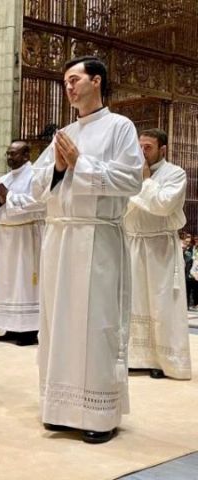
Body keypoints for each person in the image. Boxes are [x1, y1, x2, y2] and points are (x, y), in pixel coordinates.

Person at [31, 56, 143, 443]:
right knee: (57, 323)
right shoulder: (63, 132)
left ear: (97, 81)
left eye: (75, 79)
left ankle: (99, 415)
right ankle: (61, 407)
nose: (69, 87)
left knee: (96, 324)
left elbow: (132, 180)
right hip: (60, 238)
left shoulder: (119, 127)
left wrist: (81, 163)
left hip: (97, 238)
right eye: (65, 82)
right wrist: (60, 168)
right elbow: (34, 187)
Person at [124, 128, 191, 380]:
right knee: (133, 301)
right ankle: (134, 357)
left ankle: (162, 360)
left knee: (161, 304)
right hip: (133, 245)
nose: (141, 152)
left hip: (160, 248)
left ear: (162, 149)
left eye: (148, 147)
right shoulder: (130, 173)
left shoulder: (176, 173)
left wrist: (145, 180)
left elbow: (163, 205)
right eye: (139, 146)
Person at [0, 140, 45, 346]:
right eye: (8, 154)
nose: (10, 157)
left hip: (27, 236)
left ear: (27, 155)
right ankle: (10, 326)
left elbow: (40, 202)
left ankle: (29, 330)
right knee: (7, 281)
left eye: (14, 154)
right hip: (6, 238)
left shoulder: (36, 175)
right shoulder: (4, 178)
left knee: (25, 282)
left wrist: (9, 198)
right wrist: (1, 201)